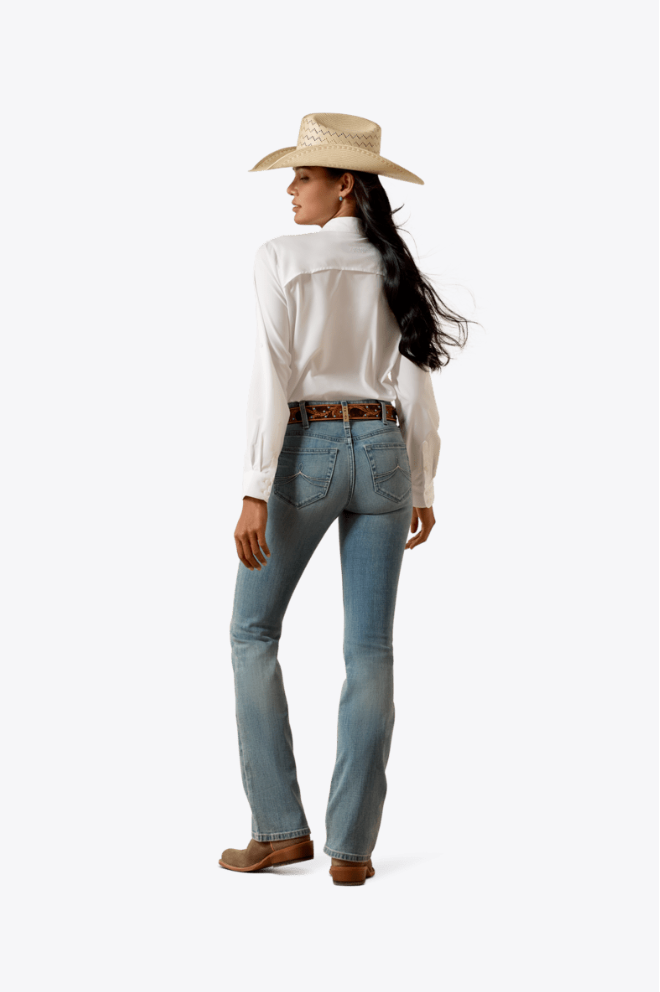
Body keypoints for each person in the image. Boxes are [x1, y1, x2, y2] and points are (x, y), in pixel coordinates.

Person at [219, 113, 470, 886]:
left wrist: (254, 487)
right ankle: (352, 851)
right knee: (371, 651)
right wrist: (421, 481)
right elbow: (415, 383)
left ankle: (279, 831)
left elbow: (270, 373)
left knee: (252, 633)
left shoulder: (280, 257)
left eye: (303, 176)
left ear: (345, 186)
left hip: (309, 452)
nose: (291, 191)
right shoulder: (395, 265)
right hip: (386, 451)